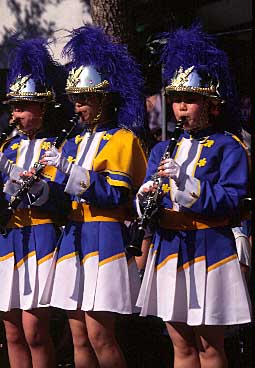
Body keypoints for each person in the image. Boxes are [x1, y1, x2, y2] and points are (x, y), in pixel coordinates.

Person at [136, 24, 252, 368]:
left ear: (211, 105)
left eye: (189, 100)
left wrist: (186, 184)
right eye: (176, 101)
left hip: (209, 246)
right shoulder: (161, 148)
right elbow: (146, 199)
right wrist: (146, 196)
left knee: (209, 347)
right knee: (180, 346)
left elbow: (233, 200)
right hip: (169, 247)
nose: (180, 108)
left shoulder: (229, 146)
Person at [42, 25, 147, 368]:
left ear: (105, 98)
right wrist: (37, 186)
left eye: (86, 98)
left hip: (104, 235)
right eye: (76, 98)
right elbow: (58, 200)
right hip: (72, 237)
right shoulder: (70, 141)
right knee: (78, 337)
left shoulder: (122, 140)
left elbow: (116, 195)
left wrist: (71, 173)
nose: (78, 106)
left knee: (101, 335)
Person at [0, 38, 71, 368]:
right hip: (7, 237)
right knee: (12, 332)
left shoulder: (57, 147)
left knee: (35, 332)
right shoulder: (5, 149)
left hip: (40, 235)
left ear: (42, 108)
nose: (15, 114)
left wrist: (37, 185)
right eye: (13, 107)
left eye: (22, 106)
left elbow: (61, 199)